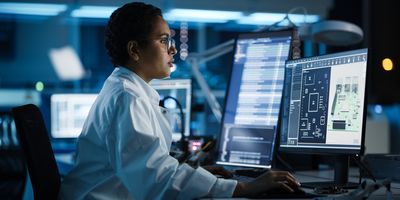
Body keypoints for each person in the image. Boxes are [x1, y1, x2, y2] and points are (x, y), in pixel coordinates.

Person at [59, 2, 300, 199]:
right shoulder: (128, 97)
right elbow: (156, 179)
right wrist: (242, 188)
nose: (172, 50)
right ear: (134, 50)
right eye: (163, 41)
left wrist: (201, 177)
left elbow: (150, 168)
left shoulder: (126, 89)